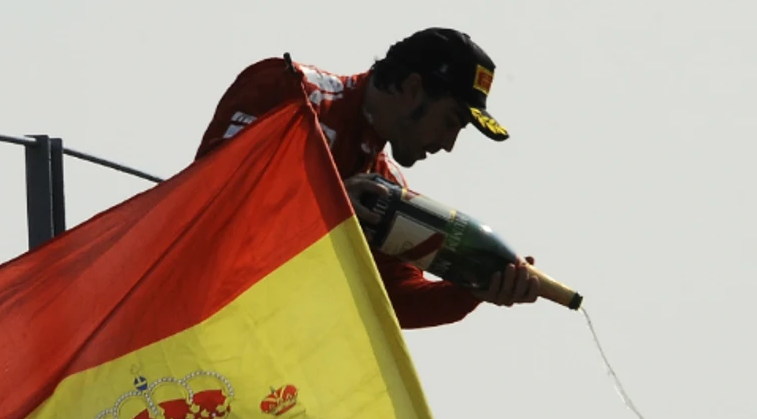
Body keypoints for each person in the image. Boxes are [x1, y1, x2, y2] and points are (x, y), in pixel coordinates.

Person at [197, 27, 542, 329]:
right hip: (180, 316)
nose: (449, 144)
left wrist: (471, 291)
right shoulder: (288, 90)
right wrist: (330, 207)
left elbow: (393, 303)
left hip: (247, 353)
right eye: (451, 121)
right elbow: (210, 200)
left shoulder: (386, 184)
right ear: (412, 88)